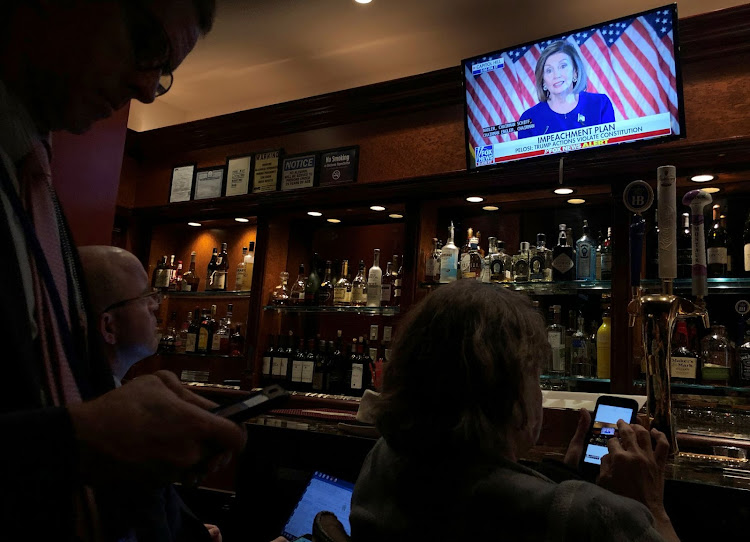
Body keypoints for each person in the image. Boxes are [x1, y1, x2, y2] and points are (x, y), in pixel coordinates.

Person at [0, 2, 247, 540]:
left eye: (161, 70)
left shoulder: (36, 189)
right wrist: (78, 441)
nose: (143, 85)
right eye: (145, 42)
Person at [350, 280, 680, 541]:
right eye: (534, 377)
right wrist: (651, 506)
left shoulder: (381, 459)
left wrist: (564, 477)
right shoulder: (593, 516)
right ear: (507, 397)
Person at [80, 245, 226, 542]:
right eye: (146, 297)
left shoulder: (94, 395)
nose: (157, 306)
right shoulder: (115, 423)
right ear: (109, 327)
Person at [517, 40, 615, 139]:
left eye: (563, 66)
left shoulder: (600, 104)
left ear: (575, 73)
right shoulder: (529, 119)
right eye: (549, 70)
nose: (556, 75)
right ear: (543, 81)